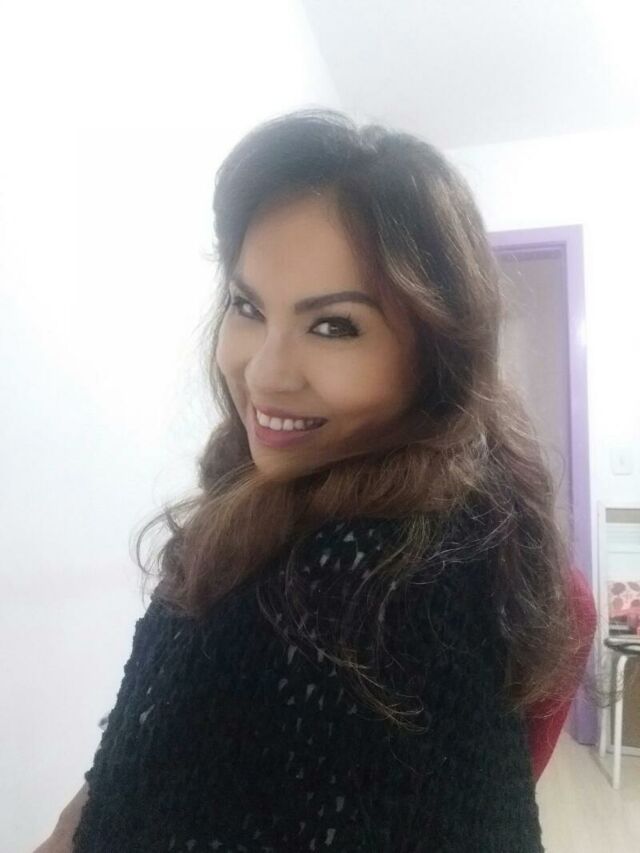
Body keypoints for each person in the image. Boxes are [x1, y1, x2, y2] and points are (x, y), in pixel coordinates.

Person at [37, 108, 597, 852]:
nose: (264, 373)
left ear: (434, 353)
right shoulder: (435, 503)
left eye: (333, 325)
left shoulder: (370, 583)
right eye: (247, 307)